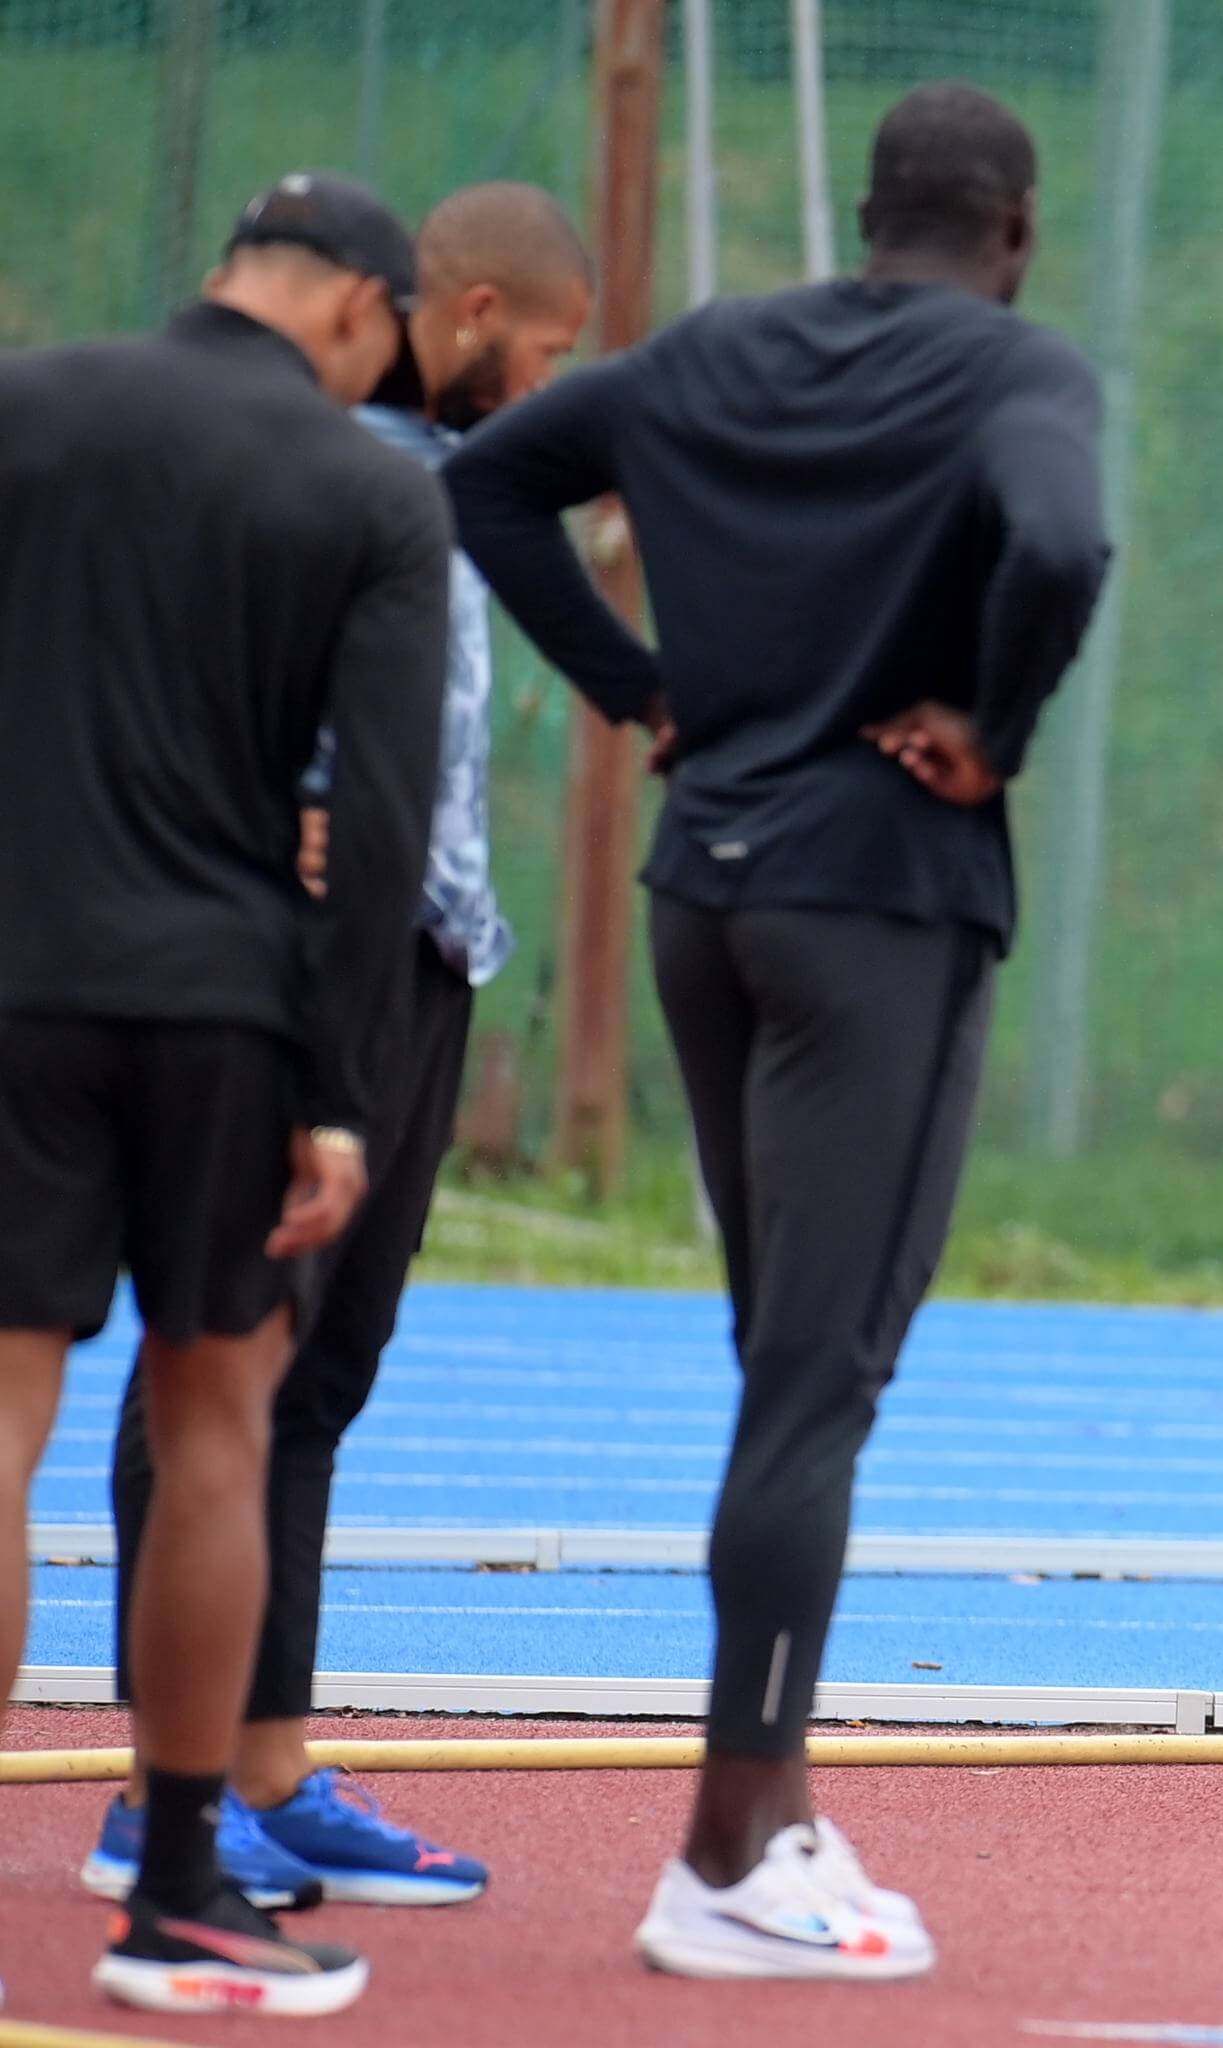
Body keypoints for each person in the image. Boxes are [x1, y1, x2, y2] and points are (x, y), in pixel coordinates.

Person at [443, 81, 1109, 1979]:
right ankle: (728, 1851)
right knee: (817, 1382)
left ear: (875, 216)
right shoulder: (1017, 373)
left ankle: (777, 1807)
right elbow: (1058, 552)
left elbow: (489, 481)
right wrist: (991, 726)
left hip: (703, 898)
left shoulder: (717, 350)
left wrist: (639, 695)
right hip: (871, 910)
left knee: (779, 1365)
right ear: (1016, 231)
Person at [93, 181, 594, 1916]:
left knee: (322, 1371)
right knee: (219, 1363)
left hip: (425, 943)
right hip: (289, 950)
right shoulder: (278, 460)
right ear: (447, 315)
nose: (544, 388)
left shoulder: (452, 482)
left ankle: (266, 1765)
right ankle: (160, 1797)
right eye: (539, 352)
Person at [0, 172, 448, 2016]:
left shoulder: (24, 408)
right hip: (220, 1013)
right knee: (214, 1429)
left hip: (12, 975)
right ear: (357, 307)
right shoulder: (365, 489)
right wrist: (341, 1094)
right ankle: (177, 1887)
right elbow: (392, 819)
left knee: (1, 1414)